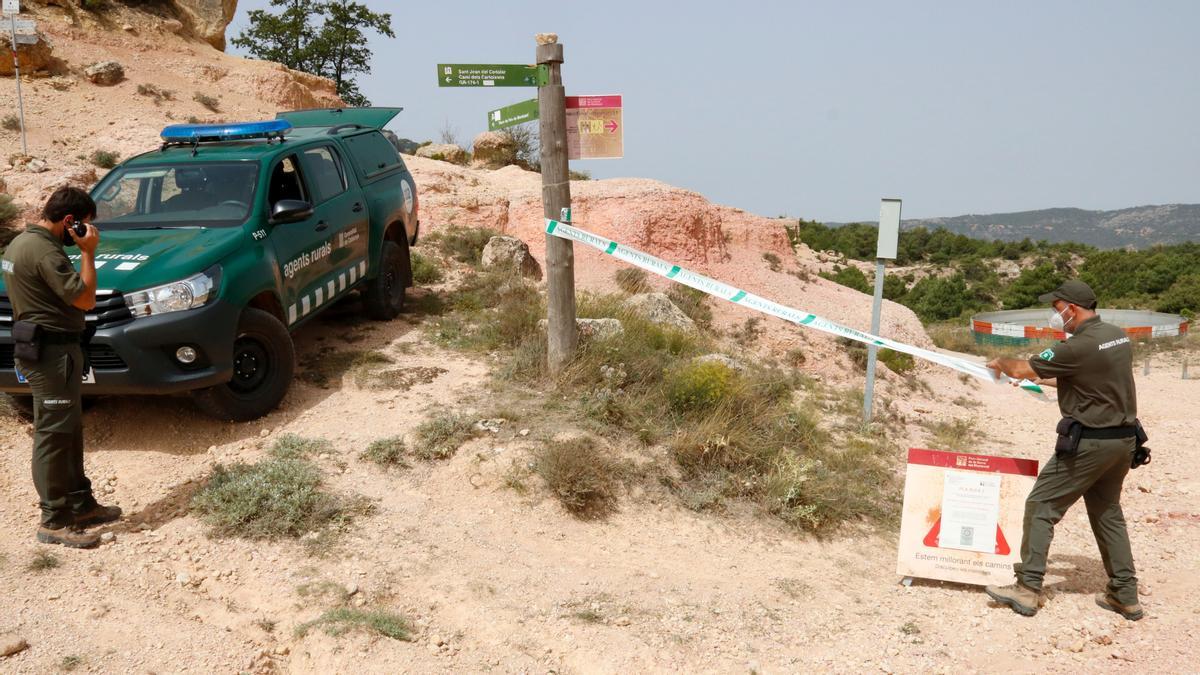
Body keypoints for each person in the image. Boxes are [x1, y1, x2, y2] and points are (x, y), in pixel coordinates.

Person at [983, 280, 1142, 620]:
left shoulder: (1076, 346)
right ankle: (1125, 594)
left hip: (1090, 443)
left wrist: (999, 361)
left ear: (1072, 308)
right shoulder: (1117, 336)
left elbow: (1024, 366)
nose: (1056, 316)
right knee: (1107, 512)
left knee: (1041, 505)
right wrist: (1048, 378)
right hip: (1123, 441)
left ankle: (1027, 589)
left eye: (1058, 309)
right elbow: (1090, 376)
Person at [2, 186, 121, 548]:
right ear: (69, 222)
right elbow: (84, 298)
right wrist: (88, 253)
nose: (86, 233)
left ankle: (80, 503)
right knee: (53, 435)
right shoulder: (43, 251)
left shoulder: (20, 244)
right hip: (52, 353)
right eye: (84, 226)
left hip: (49, 349)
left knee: (67, 430)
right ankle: (54, 520)